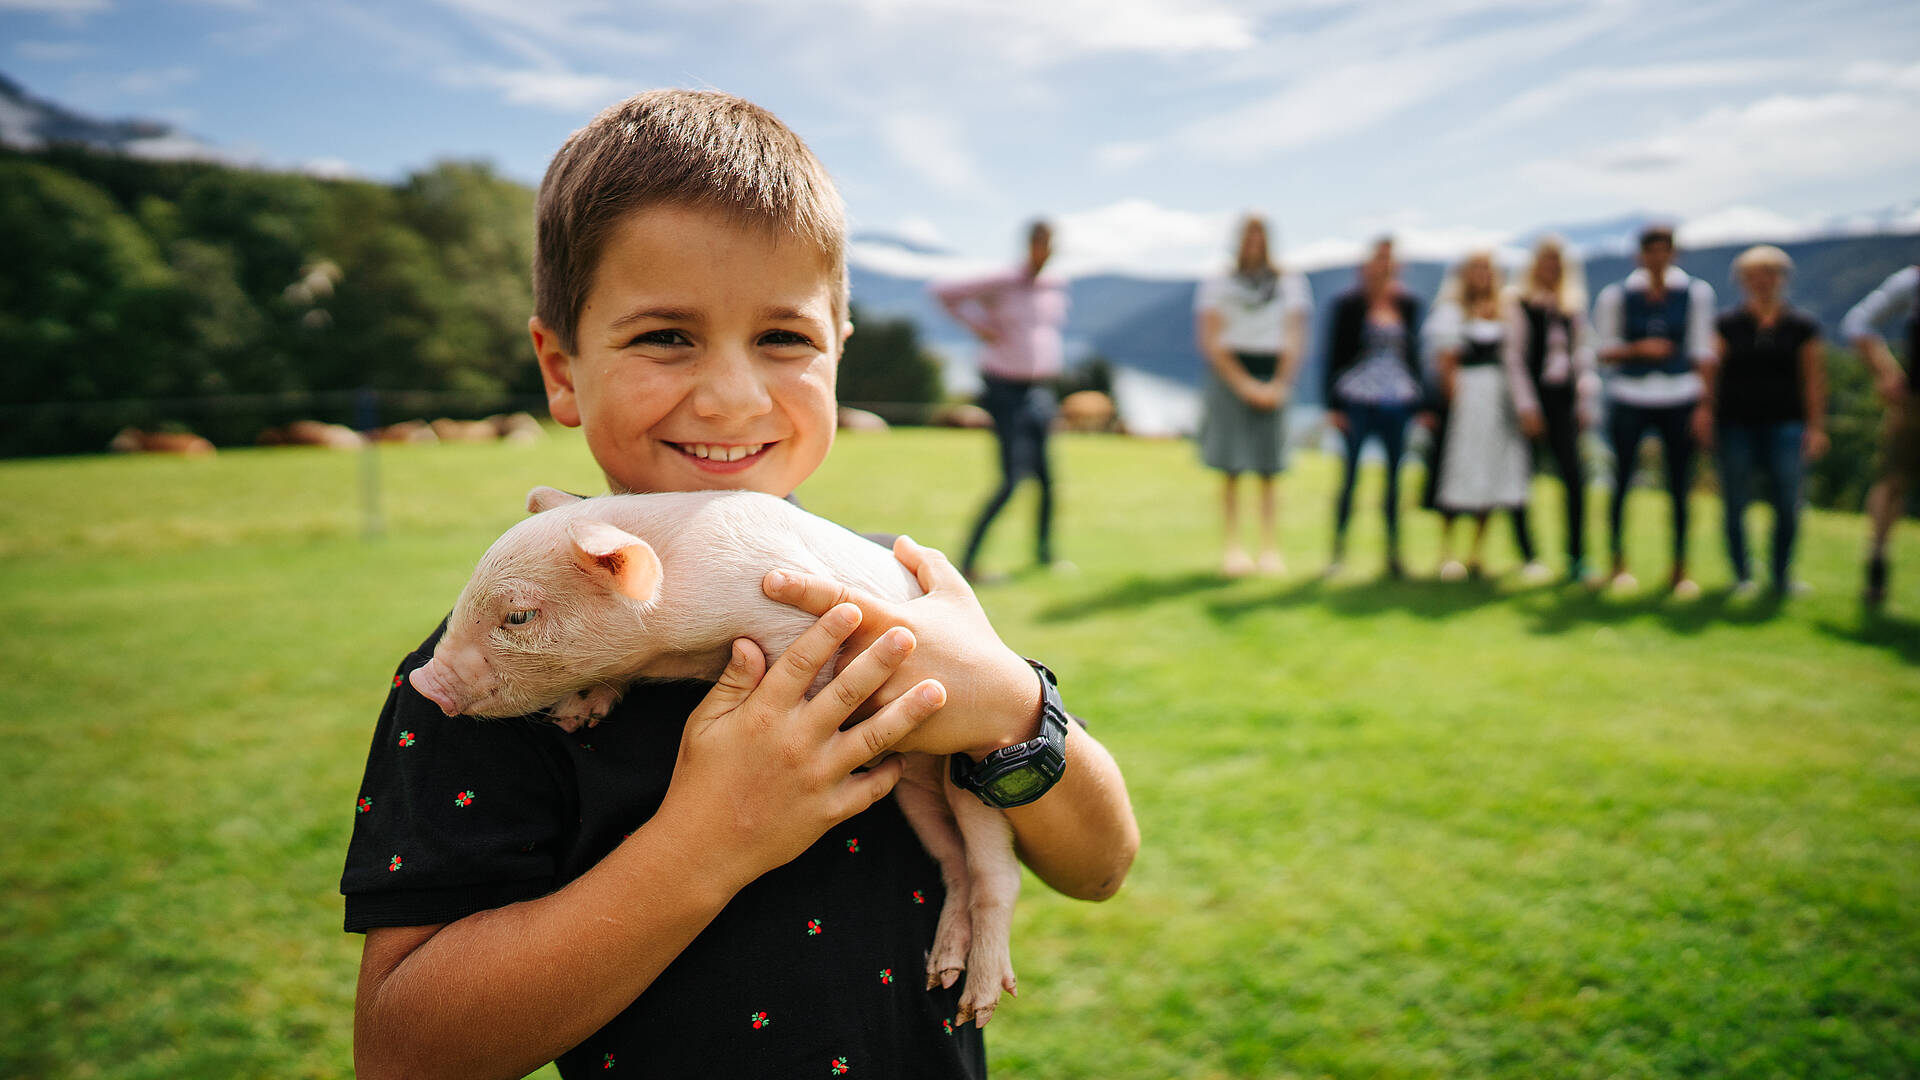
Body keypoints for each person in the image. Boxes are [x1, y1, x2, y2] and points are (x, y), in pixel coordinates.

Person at [342, 90, 1139, 1080]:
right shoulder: (499, 668)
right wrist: (708, 843)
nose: (731, 395)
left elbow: (1100, 865)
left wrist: (1012, 707)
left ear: (838, 352)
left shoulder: (899, 591)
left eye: (784, 338)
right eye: (664, 336)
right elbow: (405, 1054)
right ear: (560, 366)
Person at [933, 222, 1071, 581]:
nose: (1045, 249)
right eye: (1040, 243)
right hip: (1004, 389)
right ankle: (968, 563)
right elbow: (943, 292)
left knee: (1046, 479)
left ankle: (1044, 555)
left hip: (1039, 389)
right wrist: (979, 326)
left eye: (1050, 243)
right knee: (1011, 480)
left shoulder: (1054, 286)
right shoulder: (1004, 281)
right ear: (1029, 245)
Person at [1592, 224, 1716, 597]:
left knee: (1680, 486)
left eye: (1664, 251)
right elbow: (1603, 349)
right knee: (1620, 482)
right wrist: (1638, 350)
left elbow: (1703, 351)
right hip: (1629, 395)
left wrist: (1705, 406)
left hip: (1680, 396)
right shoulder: (1617, 296)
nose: (1658, 259)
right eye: (1651, 251)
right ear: (1640, 256)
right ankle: (1617, 563)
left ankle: (1679, 569)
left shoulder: (1695, 294)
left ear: (1673, 254)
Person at [1696, 245, 1827, 597]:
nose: (1762, 282)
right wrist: (1705, 413)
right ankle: (1741, 575)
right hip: (1734, 423)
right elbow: (1711, 374)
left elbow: (1813, 380)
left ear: (1782, 279)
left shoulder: (1802, 326)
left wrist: (1816, 427)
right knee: (1735, 500)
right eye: (1754, 275)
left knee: (1788, 502)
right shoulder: (1727, 325)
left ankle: (1781, 575)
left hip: (1787, 424)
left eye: (1770, 274)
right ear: (1742, 281)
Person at [1194, 214, 1312, 576]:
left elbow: (1295, 335)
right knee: (1230, 466)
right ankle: (1233, 549)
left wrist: (1279, 383)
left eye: (1260, 235)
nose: (1254, 242)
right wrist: (1243, 384)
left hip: (1273, 369)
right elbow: (1211, 339)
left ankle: (1269, 549)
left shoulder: (1290, 282)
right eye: (1248, 235)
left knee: (1268, 468)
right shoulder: (1218, 282)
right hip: (1231, 371)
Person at [1425, 250, 1541, 582]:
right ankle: (1446, 552)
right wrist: (1453, 402)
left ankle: (1476, 552)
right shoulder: (1451, 311)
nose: (1482, 275)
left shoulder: (1506, 310)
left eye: (1487, 269)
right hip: (1466, 401)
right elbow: (1446, 361)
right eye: (1476, 269)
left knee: (1492, 471)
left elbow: (1515, 358)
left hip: (1499, 402)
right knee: (1459, 470)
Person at [1324, 237, 1424, 579]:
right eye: (1379, 259)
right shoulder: (1349, 304)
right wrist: (1332, 406)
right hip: (1357, 400)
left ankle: (1394, 556)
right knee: (1349, 478)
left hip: (1398, 401)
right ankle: (1337, 554)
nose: (1384, 265)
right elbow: (1332, 355)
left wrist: (1422, 403)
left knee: (1395, 481)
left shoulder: (1408, 304)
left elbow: (1415, 356)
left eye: (1389, 259)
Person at [1504, 235, 1600, 584]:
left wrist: (1584, 398)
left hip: (1564, 399)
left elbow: (1582, 355)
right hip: (1531, 399)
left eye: (1557, 263)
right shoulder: (1519, 304)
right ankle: (1529, 555)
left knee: (1574, 478)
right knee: (1520, 478)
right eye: (1546, 262)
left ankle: (1576, 555)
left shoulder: (1571, 306)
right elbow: (1514, 358)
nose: (1551, 269)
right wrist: (1526, 406)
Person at [1840, 260, 1919, 610]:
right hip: (1912, 406)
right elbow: (1859, 323)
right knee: (1893, 481)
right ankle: (1877, 563)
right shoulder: (1912, 283)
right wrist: (1887, 374)